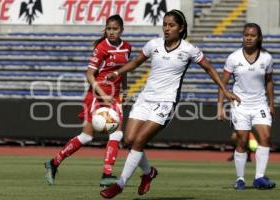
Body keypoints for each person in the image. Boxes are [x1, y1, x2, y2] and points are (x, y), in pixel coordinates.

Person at [100, 9, 240, 199]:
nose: (166, 28)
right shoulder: (153, 45)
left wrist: (224, 89)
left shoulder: (188, 49)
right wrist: (117, 73)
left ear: (181, 28)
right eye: (165, 24)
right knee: (129, 139)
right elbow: (135, 63)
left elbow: (209, 69)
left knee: (139, 141)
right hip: (144, 99)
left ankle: (120, 184)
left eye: (171, 25)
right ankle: (149, 173)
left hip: (165, 103)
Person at [44, 14, 131, 187]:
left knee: (117, 134)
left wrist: (125, 89)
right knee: (86, 137)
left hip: (114, 97)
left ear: (122, 30)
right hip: (98, 96)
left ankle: (106, 174)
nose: (111, 32)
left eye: (115, 29)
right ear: (105, 29)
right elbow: (89, 74)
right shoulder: (101, 47)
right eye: (108, 29)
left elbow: (124, 70)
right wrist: (102, 94)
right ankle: (54, 163)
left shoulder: (127, 47)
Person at [218, 23, 276, 190]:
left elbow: (270, 82)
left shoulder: (267, 58)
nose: (249, 38)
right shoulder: (233, 58)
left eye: (252, 35)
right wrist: (220, 107)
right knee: (242, 141)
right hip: (240, 105)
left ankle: (259, 178)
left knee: (265, 138)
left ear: (259, 38)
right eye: (246, 35)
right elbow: (223, 84)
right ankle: (240, 179)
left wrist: (271, 104)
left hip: (260, 104)